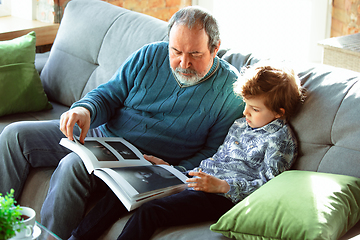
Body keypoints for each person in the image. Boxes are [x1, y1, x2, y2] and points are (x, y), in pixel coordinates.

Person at [0, 6, 244, 239]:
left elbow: (214, 153)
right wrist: (85, 109)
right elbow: (110, 94)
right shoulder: (150, 55)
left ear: (215, 48)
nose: (183, 63)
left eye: (195, 54)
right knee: (14, 136)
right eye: (176, 51)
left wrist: (172, 171)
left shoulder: (230, 91)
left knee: (73, 165)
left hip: (142, 163)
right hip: (100, 136)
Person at [68, 62, 305, 240]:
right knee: (125, 192)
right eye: (245, 105)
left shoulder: (280, 141)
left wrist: (223, 187)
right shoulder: (242, 124)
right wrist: (174, 171)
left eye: (254, 109)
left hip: (222, 197)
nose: (245, 113)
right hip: (196, 179)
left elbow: (271, 187)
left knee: (151, 211)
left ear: (279, 112)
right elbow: (216, 159)